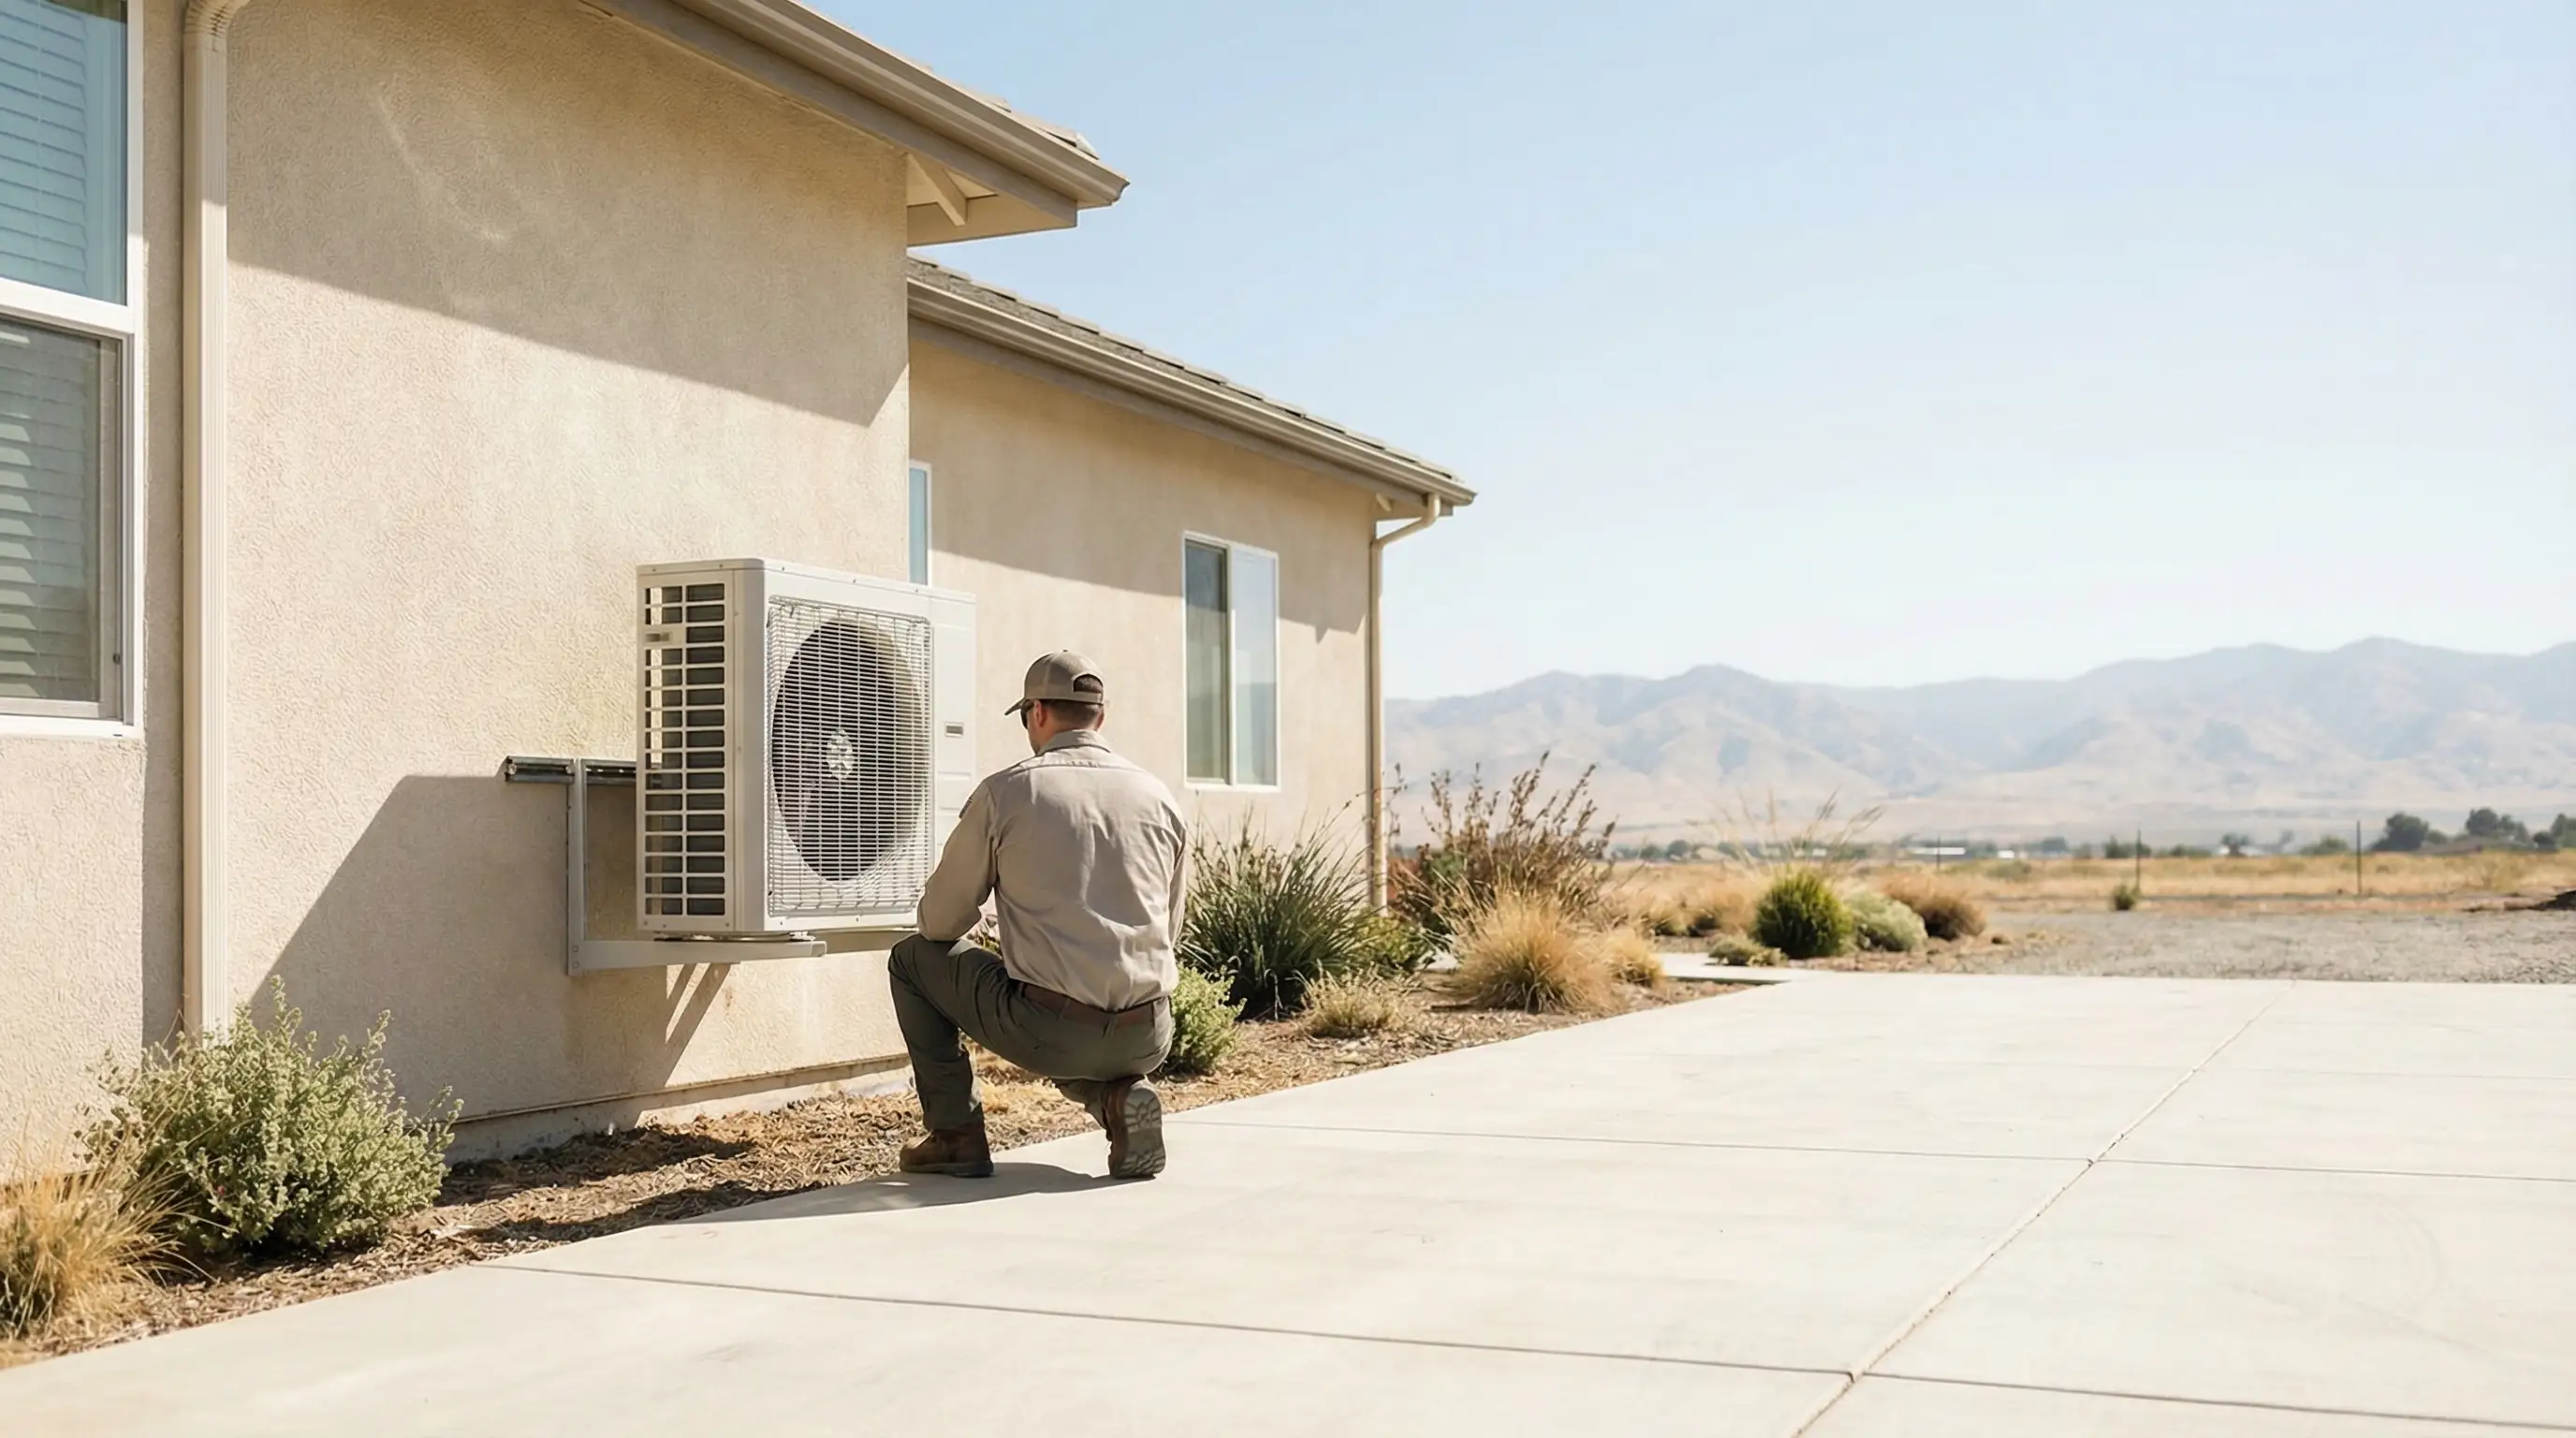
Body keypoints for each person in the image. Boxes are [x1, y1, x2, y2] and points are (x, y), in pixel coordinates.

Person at [886, 651, 1189, 1181]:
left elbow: (939, 924)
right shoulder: (1157, 795)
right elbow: (1170, 927)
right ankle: (1118, 1100)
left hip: (1051, 1029)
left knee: (913, 961)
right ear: (1100, 716)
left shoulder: (1010, 792)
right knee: (1074, 1023)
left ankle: (955, 1135)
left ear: (1037, 713)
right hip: (1149, 1032)